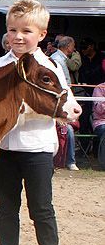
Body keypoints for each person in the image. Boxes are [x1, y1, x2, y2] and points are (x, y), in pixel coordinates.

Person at [0, 0, 67, 245]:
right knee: (5, 207)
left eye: (26, 31)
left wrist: (17, 110)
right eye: (13, 30)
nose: (18, 36)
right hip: (5, 149)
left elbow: (60, 106)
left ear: (41, 35)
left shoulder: (49, 67)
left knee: (41, 208)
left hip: (37, 149)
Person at [50, 36, 79, 171]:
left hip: (64, 100)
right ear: (68, 47)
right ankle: (68, 161)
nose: (73, 49)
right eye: (73, 46)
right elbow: (62, 85)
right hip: (59, 103)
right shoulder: (57, 60)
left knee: (69, 130)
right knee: (68, 130)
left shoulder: (61, 59)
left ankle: (68, 160)